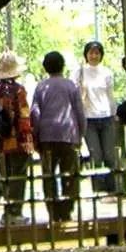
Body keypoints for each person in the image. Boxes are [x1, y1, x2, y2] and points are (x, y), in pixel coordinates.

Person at [30, 50, 82, 223]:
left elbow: (35, 113)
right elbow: (79, 112)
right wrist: (80, 134)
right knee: (70, 174)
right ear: (63, 66)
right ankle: (67, 210)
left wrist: (36, 135)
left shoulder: (41, 87)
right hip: (69, 134)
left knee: (49, 175)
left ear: (45, 67)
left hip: (47, 136)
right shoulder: (71, 86)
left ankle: (53, 211)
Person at [0, 50, 34, 222]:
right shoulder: (19, 90)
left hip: (1, 141)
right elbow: (24, 116)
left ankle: (7, 212)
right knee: (18, 177)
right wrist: (27, 139)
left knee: (5, 177)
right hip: (17, 140)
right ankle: (15, 213)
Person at [77, 41, 119, 195]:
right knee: (96, 155)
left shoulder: (107, 73)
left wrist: (114, 114)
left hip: (106, 117)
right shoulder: (80, 72)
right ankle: (99, 189)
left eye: (97, 53)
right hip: (89, 119)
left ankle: (112, 189)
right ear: (86, 55)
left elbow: (110, 96)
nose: (94, 56)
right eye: (91, 53)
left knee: (109, 154)